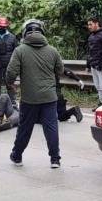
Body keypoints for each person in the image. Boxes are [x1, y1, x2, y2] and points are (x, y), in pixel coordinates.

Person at [5, 19, 64, 168]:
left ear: (25, 33)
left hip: (29, 98)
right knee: (51, 127)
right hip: (50, 97)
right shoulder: (52, 50)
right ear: (42, 32)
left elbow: (11, 72)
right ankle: (55, 159)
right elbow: (60, 70)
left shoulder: (20, 50)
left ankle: (17, 156)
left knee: (25, 128)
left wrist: (10, 82)